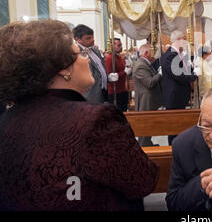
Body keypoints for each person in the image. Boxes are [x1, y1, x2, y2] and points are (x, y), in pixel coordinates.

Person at [0, 20, 159, 211]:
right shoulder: (94, 120)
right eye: (80, 53)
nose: (86, 59)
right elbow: (142, 180)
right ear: (64, 69)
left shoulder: (8, 120)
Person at [161, 30, 197, 145]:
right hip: (174, 96)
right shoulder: (170, 55)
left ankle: (179, 145)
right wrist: (194, 76)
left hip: (179, 95)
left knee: (179, 125)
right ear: (178, 40)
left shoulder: (177, 54)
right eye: (184, 39)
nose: (186, 42)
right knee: (173, 126)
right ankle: (172, 148)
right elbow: (179, 76)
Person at [133, 44, 164, 147]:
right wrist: (160, 74)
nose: (153, 54)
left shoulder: (145, 63)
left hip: (149, 99)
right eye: (151, 52)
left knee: (149, 124)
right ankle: (144, 147)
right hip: (145, 100)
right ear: (146, 53)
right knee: (144, 124)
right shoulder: (140, 65)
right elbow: (149, 82)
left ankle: (147, 143)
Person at [73, 24, 108, 103]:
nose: (93, 40)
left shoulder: (95, 50)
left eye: (92, 37)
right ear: (78, 39)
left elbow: (101, 67)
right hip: (91, 93)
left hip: (103, 90)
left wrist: (107, 77)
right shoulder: (76, 53)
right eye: (88, 38)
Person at [105, 38, 131, 112]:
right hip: (114, 92)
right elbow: (111, 77)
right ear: (112, 46)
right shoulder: (109, 58)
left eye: (121, 45)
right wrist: (125, 72)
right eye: (119, 45)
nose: (121, 47)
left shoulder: (120, 57)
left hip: (122, 90)